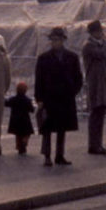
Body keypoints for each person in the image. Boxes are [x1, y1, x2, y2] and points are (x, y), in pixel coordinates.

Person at [34, 26, 82, 166]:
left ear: (63, 40)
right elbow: (39, 80)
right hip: (49, 98)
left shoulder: (72, 57)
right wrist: (39, 99)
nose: (55, 42)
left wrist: (73, 91)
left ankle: (59, 155)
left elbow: (78, 77)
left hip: (65, 98)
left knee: (62, 127)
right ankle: (47, 156)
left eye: (58, 39)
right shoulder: (43, 58)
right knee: (47, 128)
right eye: (53, 40)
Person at [81, 19, 106, 154]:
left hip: (102, 83)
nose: (101, 34)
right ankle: (93, 144)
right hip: (94, 83)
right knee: (95, 114)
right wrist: (105, 43)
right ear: (93, 33)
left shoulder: (98, 44)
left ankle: (98, 143)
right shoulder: (89, 46)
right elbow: (103, 53)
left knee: (101, 113)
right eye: (99, 31)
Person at [5, 81, 35, 154]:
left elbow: (6, 103)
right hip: (25, 120)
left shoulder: (13, 99)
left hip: (15, 120)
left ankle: (18, 146)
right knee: (28, 132)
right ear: (25, 90)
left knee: (18, 134)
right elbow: (32, 109)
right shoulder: (27, 100)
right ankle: (24, 141)